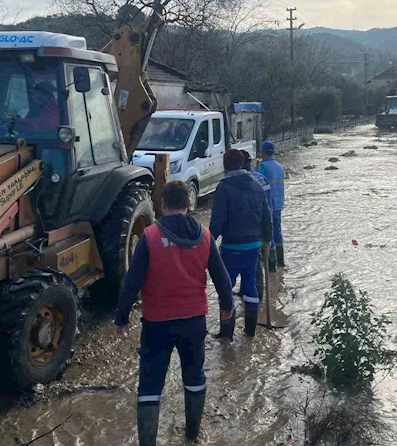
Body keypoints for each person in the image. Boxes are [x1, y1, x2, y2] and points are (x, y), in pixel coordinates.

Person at [114, 180, 233, 446]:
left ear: (162, 204)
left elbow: (131, 282)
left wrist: (121, 317)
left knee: (150, 384)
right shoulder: (204, 236)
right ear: (189, 204)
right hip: (194, 322)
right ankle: (192, 435)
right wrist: (227, 306)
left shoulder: (150, 237)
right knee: (194, 376)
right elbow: (221, 277)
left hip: (157, 325)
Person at [210, 148, 272, 340]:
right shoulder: (256, 185)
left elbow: (217, 220)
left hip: (231, 248)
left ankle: (226, 333)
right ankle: (250, 331)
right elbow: (266, 216)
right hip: (253, 246)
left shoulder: (224, 187)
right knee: (250, 285)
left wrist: (207, 241)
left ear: (225, 165)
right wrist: (268, 240)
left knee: (225, 288)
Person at [242, 150, 277, 272]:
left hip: (249, 230)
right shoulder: (262, 179)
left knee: (253, 268)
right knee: (265, 262)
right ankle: (274, 277)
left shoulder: (238, 182)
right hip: (264, 224)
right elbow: (269, 204)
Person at [258, 140, 286, 267]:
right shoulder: (280, 167)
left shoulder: (262, 167)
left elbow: (259, 184)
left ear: (263, 152)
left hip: (267, 205)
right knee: (277, 230)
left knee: (269, 232)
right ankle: (281, 262)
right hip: (278, 204)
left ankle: (271, 264)